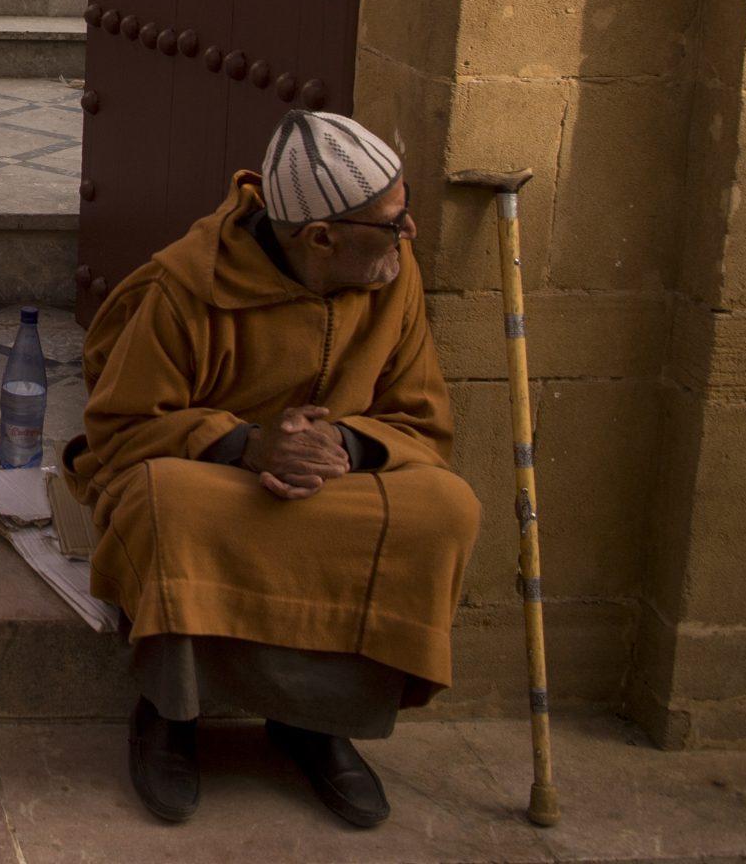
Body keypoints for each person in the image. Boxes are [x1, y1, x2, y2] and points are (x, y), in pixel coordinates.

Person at [63, 110, 481, 830]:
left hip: (340, 483)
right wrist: (246, 446)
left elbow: (421, 421)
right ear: (320, 237)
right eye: (391, 222)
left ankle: (315, 722)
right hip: (218, 479)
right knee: (168, 503)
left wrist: (345, 447)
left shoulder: (391, 276)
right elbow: (118, 428)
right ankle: (170, 717)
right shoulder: (186, 290)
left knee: (446, 509)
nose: (409, 234)